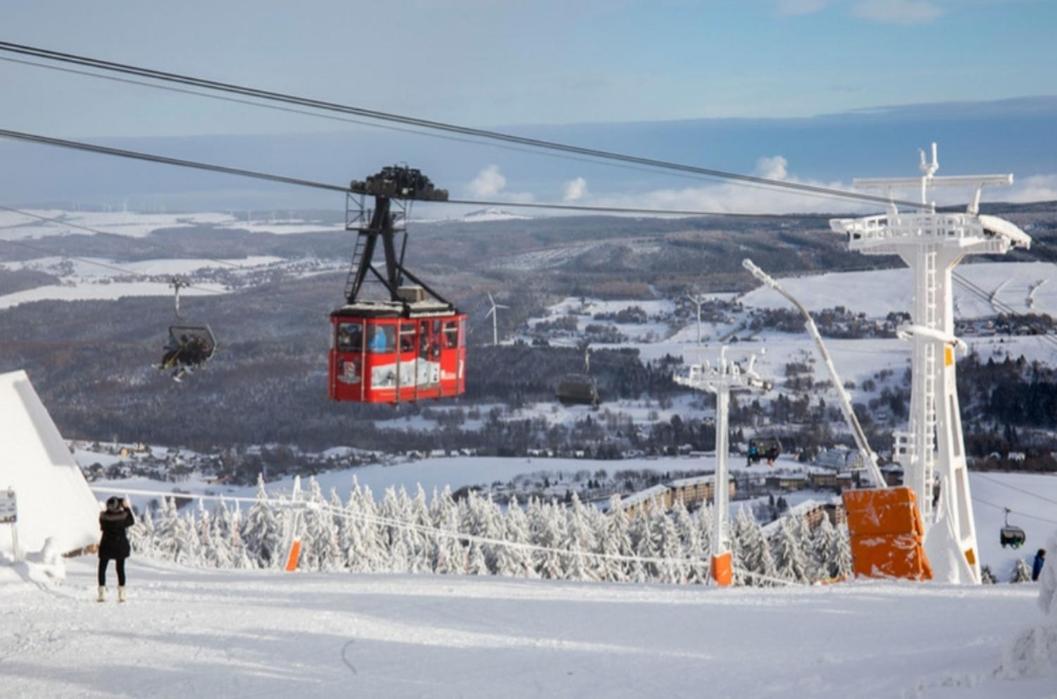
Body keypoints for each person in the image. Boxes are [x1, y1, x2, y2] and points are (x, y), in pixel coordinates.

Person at [98, 496, 135, 603]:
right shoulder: (123, 517)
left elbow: (102, 525)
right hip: (119, 546)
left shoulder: (103, 517)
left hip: (106, 546)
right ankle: (121, 594)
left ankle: (102, 593)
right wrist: (126, 507)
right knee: (120, 569)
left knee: (102, 569)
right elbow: (131, 521)